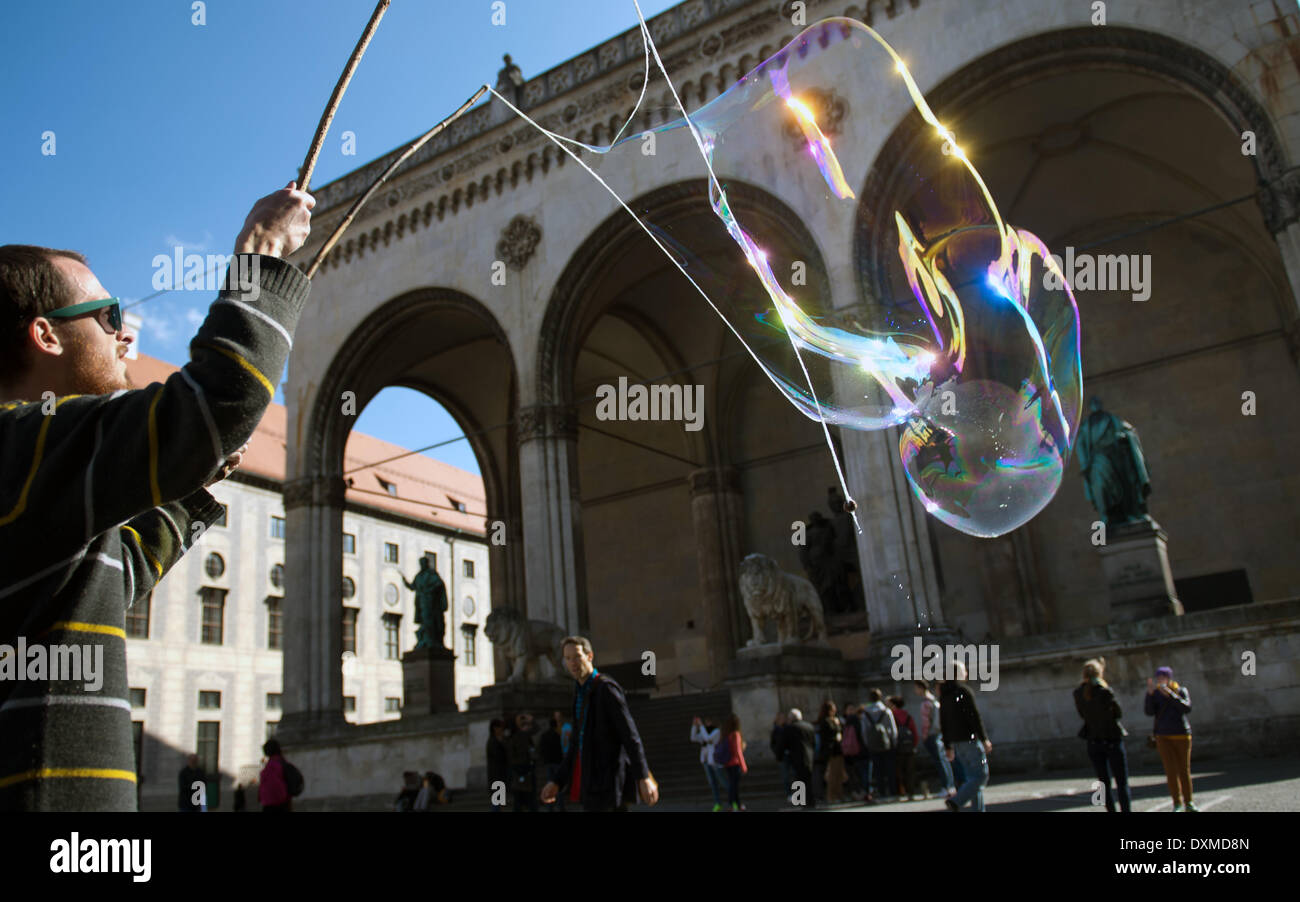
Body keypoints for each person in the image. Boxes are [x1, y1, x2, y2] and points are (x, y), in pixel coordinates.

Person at [0, 185, 314, 812]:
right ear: (46, 335)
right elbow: (218, 398)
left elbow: (109, 575)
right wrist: (262, 254)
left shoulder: (37, 465)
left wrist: (190, 478)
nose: (125, 335)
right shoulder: (20, 443)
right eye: (109, 315)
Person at [540, 636, 658, 812]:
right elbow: (575, 744)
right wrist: (557, 781)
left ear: (589, 656)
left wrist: (643, 776)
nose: (573, 663)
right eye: (568, 658)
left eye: (577, 656)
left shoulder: (606, 689)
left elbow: (630, 735)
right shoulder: (579, 693)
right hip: (590, 782)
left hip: (609, 782)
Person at [1073, 657, 1131, 813]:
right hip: (1112, 739)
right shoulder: (1104, 691)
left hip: (1093, 741)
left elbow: (1082, 715)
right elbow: (1117, 713)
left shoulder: (1078, 693)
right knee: (1121, 782)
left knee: (1103, 782)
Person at [941, 663, 992, 811]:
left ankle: (978, 809)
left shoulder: (945, 695)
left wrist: (947, 745)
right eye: (964, 671)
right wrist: (984, 738)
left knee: (972, 779)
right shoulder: (963, 691)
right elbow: (974, 717)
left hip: (956, 742)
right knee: (981, 776)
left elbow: (943, 722)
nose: (966, 673)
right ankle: (957, 800)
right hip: (969, 739)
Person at [1145, 666, 1195, 811]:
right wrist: (1149, 695)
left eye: (1163, 676)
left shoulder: (1180, 690)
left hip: (1181, 734)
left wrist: (1170, 695)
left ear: (1169, 678)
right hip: (1163, 735)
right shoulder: (1154, 694)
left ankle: (1189, 802)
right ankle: (1177, 803)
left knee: (1184, 770)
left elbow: (1186, 708)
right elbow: (1149, 712)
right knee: (1170, 771)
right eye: (1158, 677)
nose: (1160, 679)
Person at [913, 679, 954, 798]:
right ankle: (950, 786)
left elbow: (926, 722)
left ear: (920, 688)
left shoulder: (926, 703)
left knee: (940, 761)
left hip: (931, 734)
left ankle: (946, 787)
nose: (915, 691)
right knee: (944, 760)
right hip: (938, 733)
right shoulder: (933, 700)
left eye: (916, 688)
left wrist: (924, 736)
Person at [861, 689, 897, 801]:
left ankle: (882, 792)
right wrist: (894, 742)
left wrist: (868, 743)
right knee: (890, 769)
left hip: (873, 745)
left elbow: (864, 731)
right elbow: (893, 729)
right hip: (887, 744)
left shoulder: (865, 712)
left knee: (877, 770)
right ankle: (893, 791)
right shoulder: (886, 711)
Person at [783, 708, 816, 807]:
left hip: (796, 757)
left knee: (799, 780)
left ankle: (802, 801)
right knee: (808, 779)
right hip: (809, 756)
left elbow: (784, 744)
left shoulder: (789, 728)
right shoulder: (809, 726)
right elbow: (813, 742)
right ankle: (811, 800)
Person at [506, 712, 539, 811]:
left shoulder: (513, 737)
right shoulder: (520, 736)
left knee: (520, 800)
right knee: (528, 800)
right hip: (524, 770)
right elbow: (536, 729)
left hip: (519, 771)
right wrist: (531, 720)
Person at [693, 715, 726, 811]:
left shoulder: (716, 731)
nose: (707, 724)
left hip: (715, 761)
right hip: (706, 761)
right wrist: (695, 726)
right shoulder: (704, 732)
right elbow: (693, 737)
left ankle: (734, 801)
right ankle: (718, 803)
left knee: (723, 781)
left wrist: (701, 726)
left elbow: (707, 739)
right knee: (712, 783)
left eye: (708, 722)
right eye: (705, 722)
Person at [889, 696, 919, 800]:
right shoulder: (908, 716)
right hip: (909, 747)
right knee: (910, 771)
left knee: (898, 770)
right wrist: (914, 745)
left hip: (898, 748)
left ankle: (901, 792)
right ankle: (911, 792)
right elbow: (914, 732)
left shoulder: (891, 715)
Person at [815, 700, 846, 803]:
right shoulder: (826, 721)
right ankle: (832, 796)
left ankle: (839, 794)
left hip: (837, 751)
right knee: (832, 775)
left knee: (839, 774)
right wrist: (837, 724)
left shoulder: (832, 720)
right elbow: (832, 734)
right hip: (831, 752)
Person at [539, 713, 567, 812]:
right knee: (557, 784)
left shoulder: (545, 735)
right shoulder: (557, 735)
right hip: (557, 762)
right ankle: (560, 806)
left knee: (551, 783)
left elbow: (541, 748)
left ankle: (550, 806)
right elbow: (561, 748)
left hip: (549, 762)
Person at [720, 713, 747, 811]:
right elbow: (738, 751)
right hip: (735, 763)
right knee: (734, 786)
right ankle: (733, 804)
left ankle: (736, 804)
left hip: (727, 763)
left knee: (732, 785)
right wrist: (743, 765)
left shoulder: (726, 734)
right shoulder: (735, 734)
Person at [259, 738, 292, 813]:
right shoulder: (282, 762)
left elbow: (273, 785)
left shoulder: (271, 766)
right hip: (282, 803)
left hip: (272, 804)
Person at [839, 704, 864, 799]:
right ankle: (858, 790)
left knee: (852, 772)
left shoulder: (843, 722)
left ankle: (854, 791)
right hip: (856, 750)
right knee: (855, 772)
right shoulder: (856, 720)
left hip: (847, 750)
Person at [486, 718, 509, 811]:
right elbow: (500, 757)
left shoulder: (494, 741)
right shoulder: (493, 742)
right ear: (495, 728)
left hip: (499, 777)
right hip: (497, 777)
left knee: (499, 803)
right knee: (497, 803)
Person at [770, 712, 792, 802]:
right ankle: (789, 794)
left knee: (793, 774)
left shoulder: (788, 728)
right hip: (782, 756)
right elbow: (773, 744)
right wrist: (777, 752)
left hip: (790, 754)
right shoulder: (776, 730)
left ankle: (797, 794)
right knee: (786, 776)